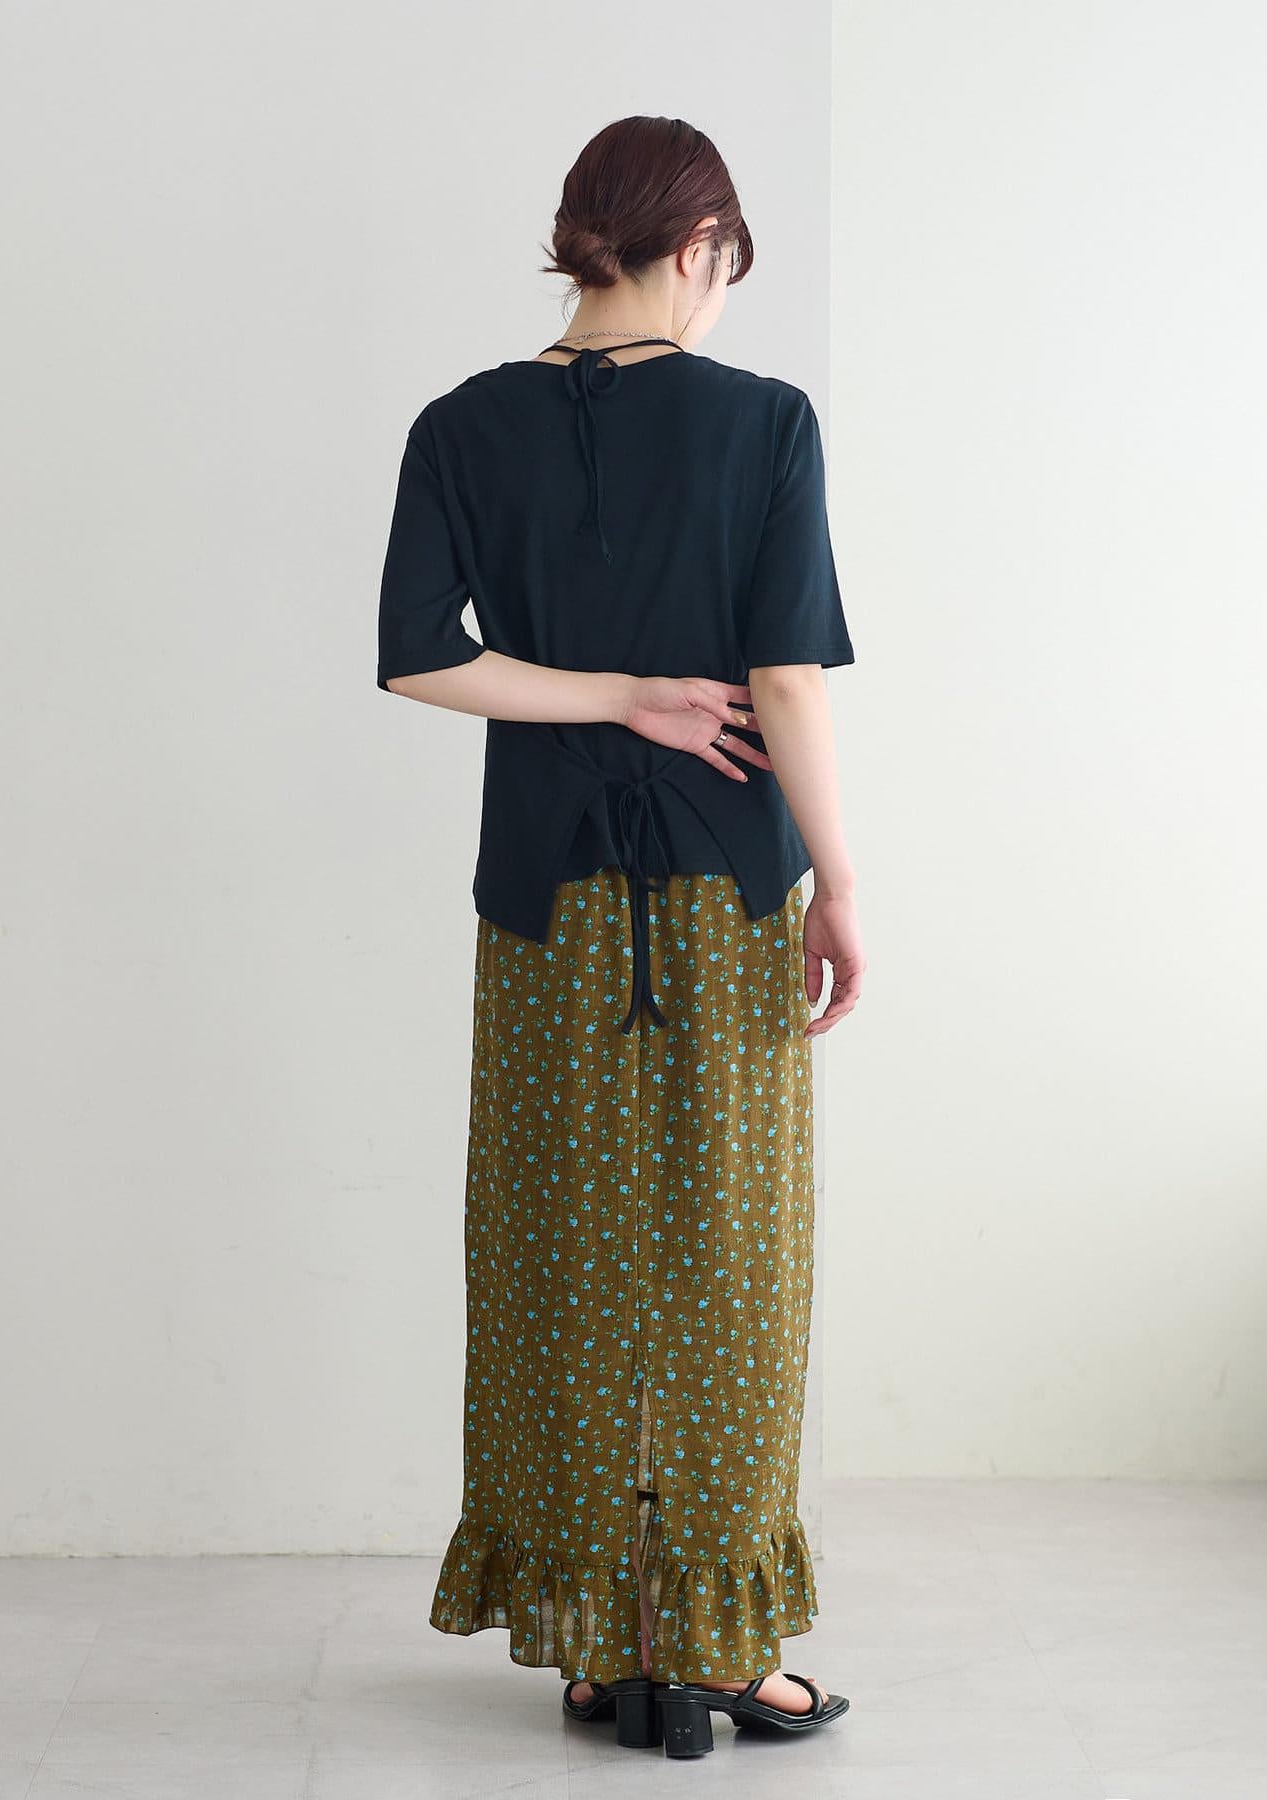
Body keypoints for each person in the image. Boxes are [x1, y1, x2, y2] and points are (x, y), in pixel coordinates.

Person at [376, 114, 864, 1759]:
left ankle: (599, 1640)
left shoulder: (462, 425)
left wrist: (605, 696)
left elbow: (419, 656)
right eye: (729, 265)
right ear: (703, 243)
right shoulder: (764, 421)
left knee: (554, 1258)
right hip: (730, 896)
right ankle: (717, 1645)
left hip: (543, 904)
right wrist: (841, 883)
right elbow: (785, 678)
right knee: (731, 1261)